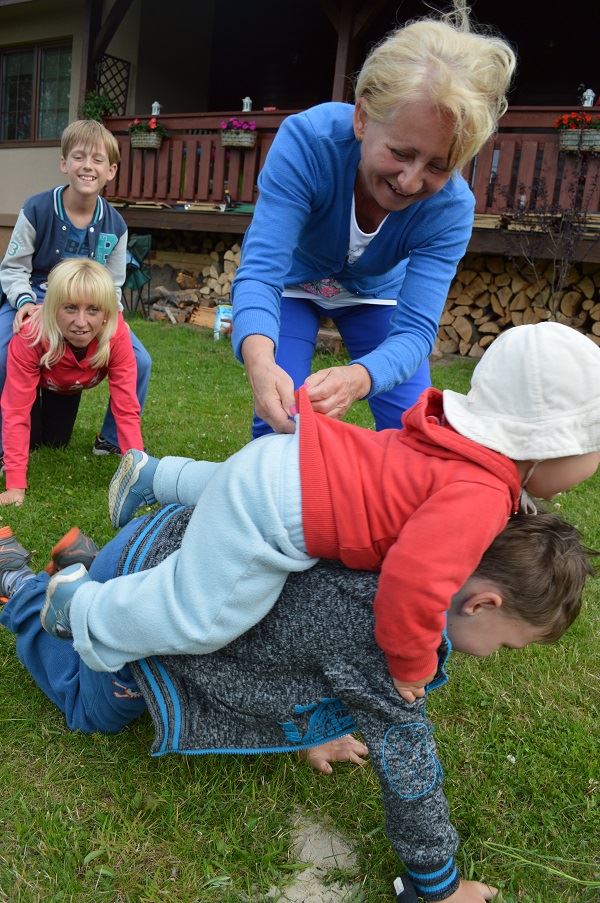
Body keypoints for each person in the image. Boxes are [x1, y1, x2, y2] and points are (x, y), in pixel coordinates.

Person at [0, 509, 595, 903]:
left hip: (173, 542)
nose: (495, 657)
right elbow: (410, 770)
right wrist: (439, 887)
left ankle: (86, 562)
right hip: (148, 596)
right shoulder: (390, 637)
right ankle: (25, 586)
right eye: (508, 644)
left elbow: (289, 646)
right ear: (483, 604)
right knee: (91, 707)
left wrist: (312, 727)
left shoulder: (413, 540)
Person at [40, 322, 600, 699]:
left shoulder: (459, 445)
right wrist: (411, 665)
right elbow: (415, 582)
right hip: (274, 510)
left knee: (221, 489)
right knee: (203, 615)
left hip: (283, 462)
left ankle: (154, 476)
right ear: (545, 443)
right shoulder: (480, 493)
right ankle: (83, 609)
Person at [232, 3, 516, 438]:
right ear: (363, 118)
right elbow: (260, 274)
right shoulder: (307, 143)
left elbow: (416, 330)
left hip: (375, 294)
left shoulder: (451, 208)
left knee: (414, 431)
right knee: (280, 420)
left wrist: (361, 377)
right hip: (291, 283)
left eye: (439, 166)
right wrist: (259, 358)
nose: (410, 180)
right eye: (401, 153)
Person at [0, 118, 152, 461]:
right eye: (80, 157)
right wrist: (23, 302)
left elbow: (112, 285)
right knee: (2, 351)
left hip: (88, 304)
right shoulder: (36, 209)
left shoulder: (116, 225)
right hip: (34, 294)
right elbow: (13, 268)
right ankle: (3, 442)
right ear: (64, 163)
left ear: (111, 170)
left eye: (98, 160)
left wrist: (112, 322)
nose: (88, 166)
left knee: (140, 360)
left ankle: (112, 439)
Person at [0, 258, 144, 506]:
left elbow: (126, 409)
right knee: (26, 440)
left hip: (67, 388)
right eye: (70, 308)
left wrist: (139, 477)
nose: (81, 322)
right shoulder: (30, 335)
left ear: (107, 314)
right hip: (36, 382)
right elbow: (16, 411)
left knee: (56, 441)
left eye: (93, 310)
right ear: (53, 308)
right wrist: (15, 485)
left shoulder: (117, 335)